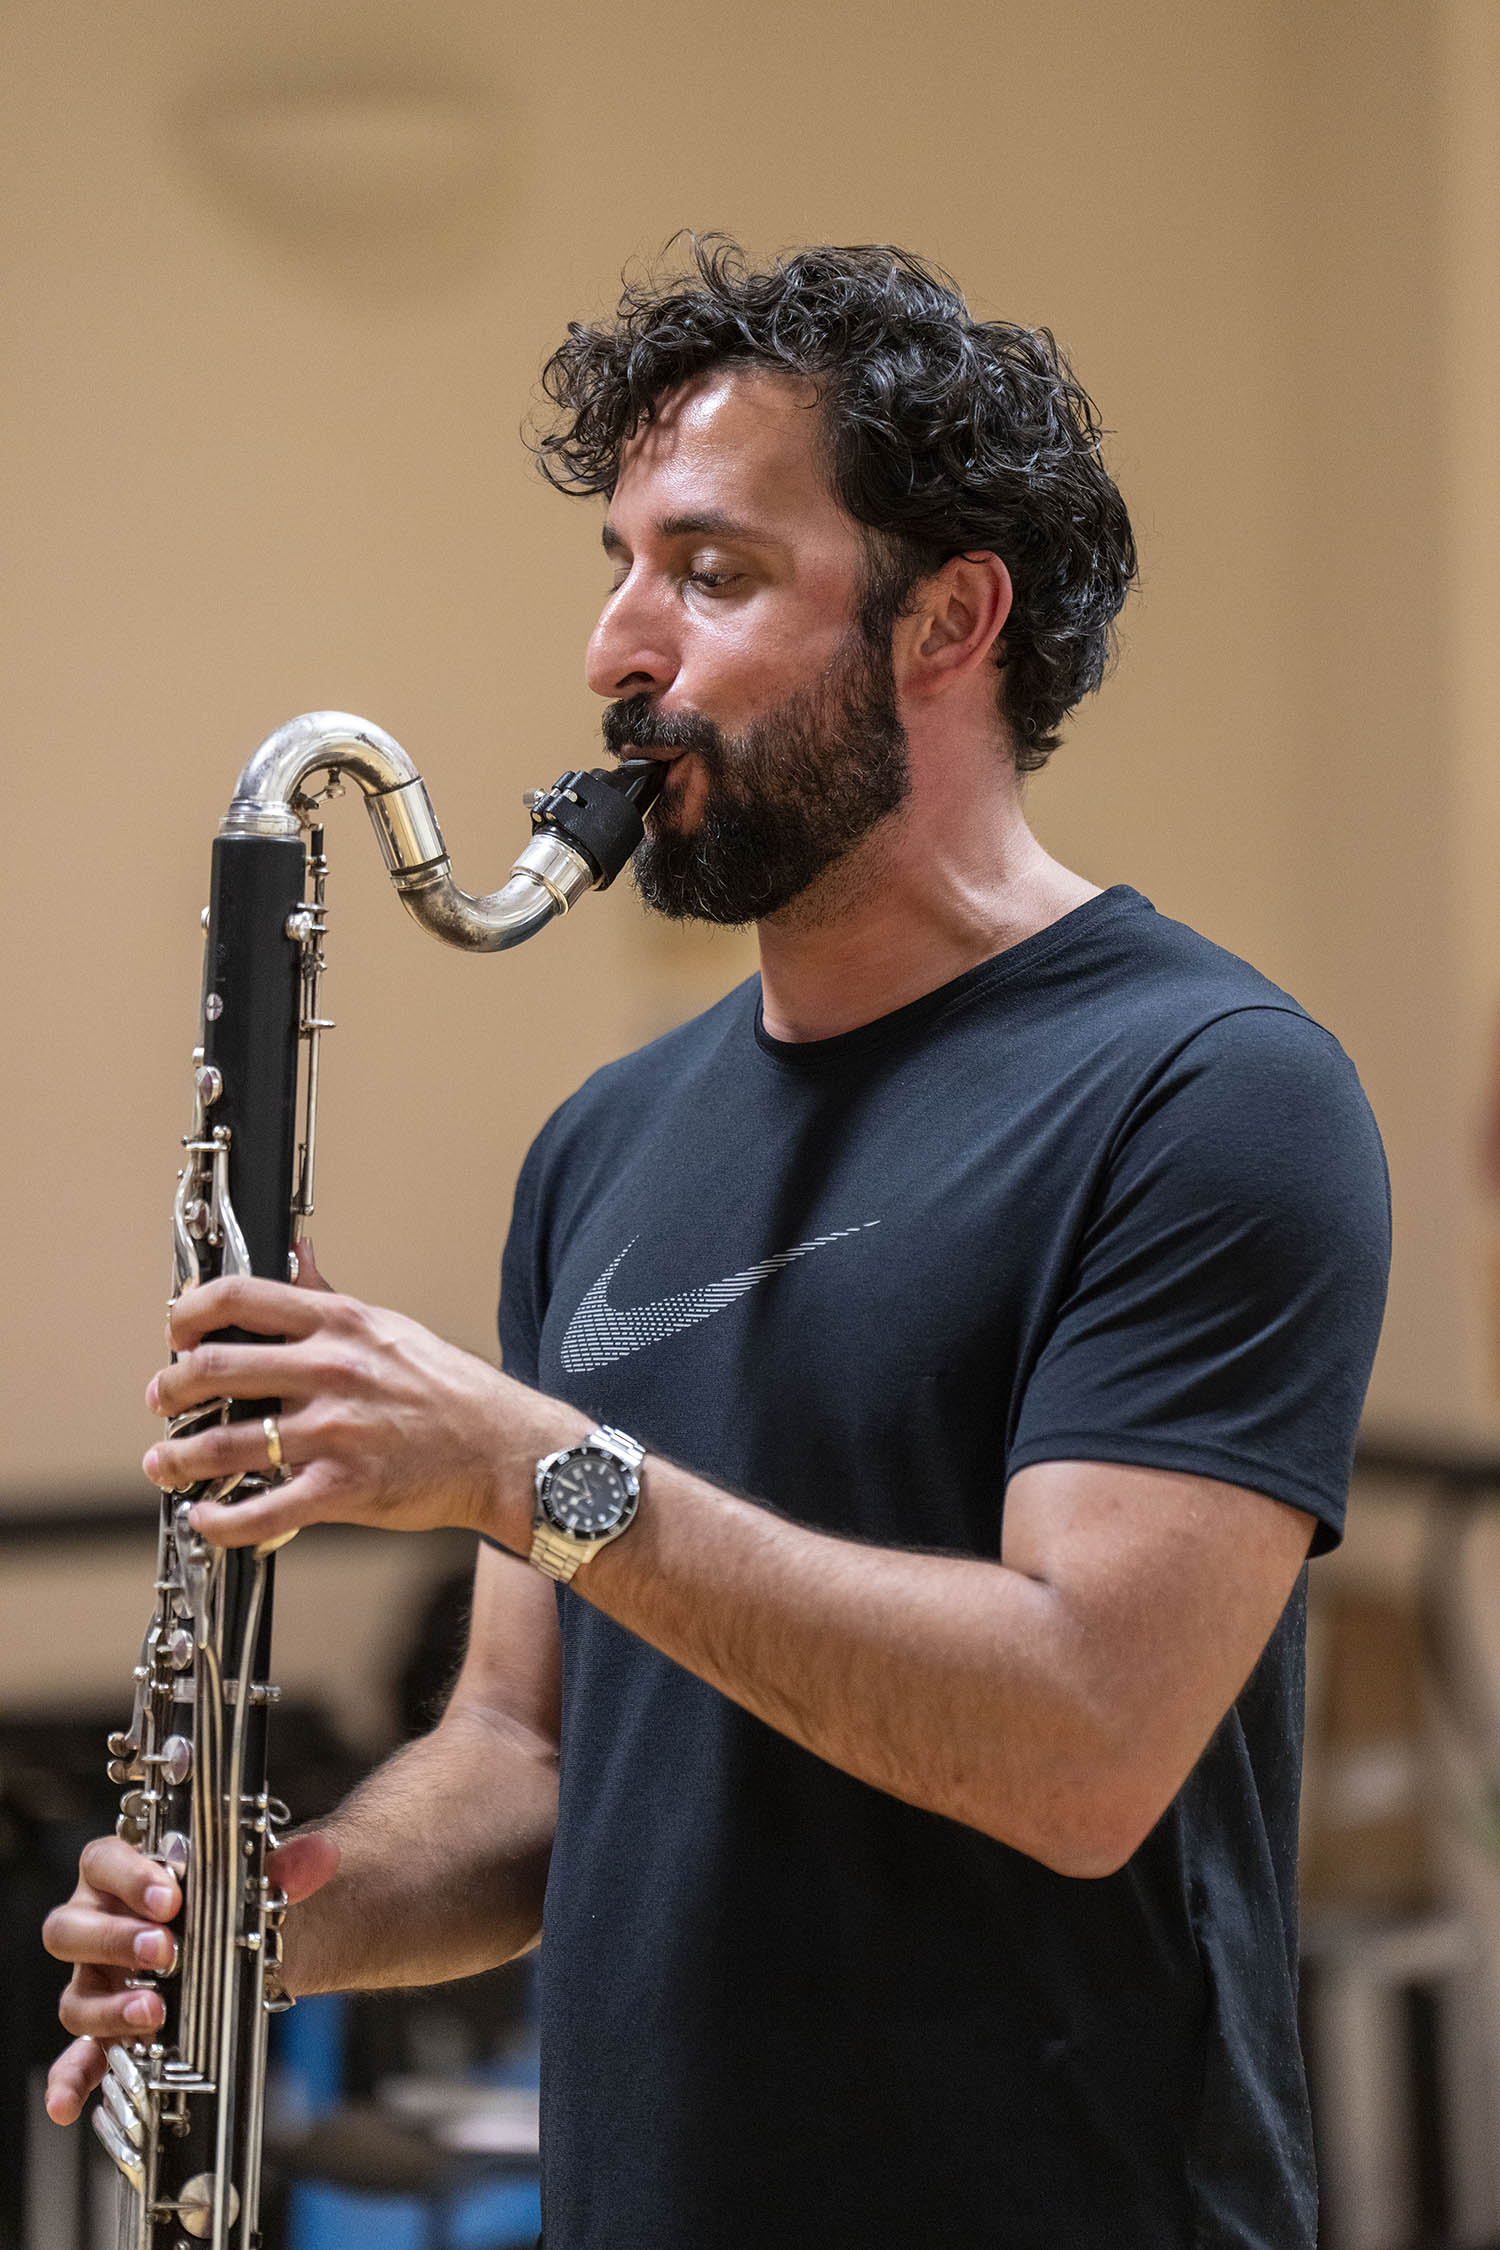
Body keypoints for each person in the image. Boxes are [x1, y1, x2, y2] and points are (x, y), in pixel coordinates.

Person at [44, 240, 1390, 2249]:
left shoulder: (1208, 1090)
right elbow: (528, 1759)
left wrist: (523, 1468)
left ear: (949, 618)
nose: (615, 645)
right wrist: (277, 1919)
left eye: (714, 571)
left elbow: (1084, 1743)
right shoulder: (608, 1141)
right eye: (617, 565)